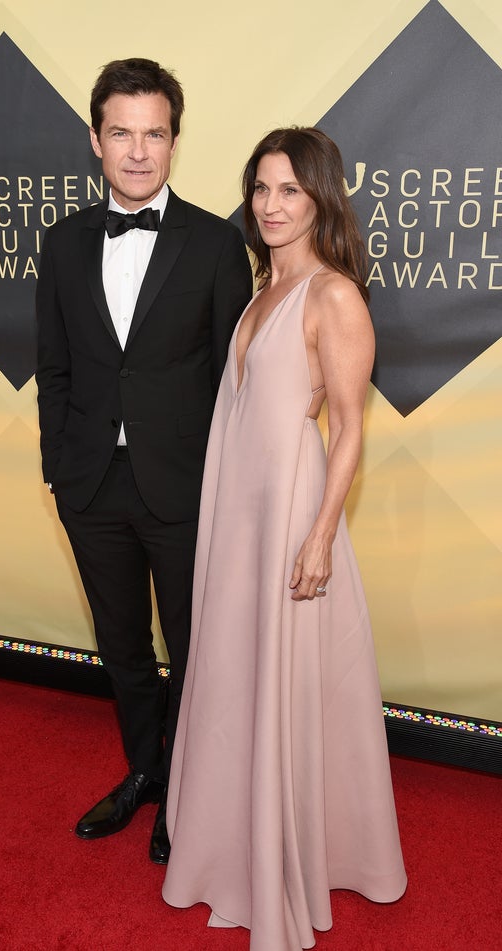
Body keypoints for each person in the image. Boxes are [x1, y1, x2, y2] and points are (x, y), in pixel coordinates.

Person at [163, 128, 407, 948]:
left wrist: (319, 535)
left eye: (289, 191)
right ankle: (236, 839)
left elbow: (348, 430)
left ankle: (289, 856)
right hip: (239, 510)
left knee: (288, 679)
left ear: (321, 199)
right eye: (261, 189)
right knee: (237, 676)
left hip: (292, 510)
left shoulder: (334, 296)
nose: (270, 205)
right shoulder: (261, 288)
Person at [35, 58, 252, 865]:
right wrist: (61, 471)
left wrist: (230, 490)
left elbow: (237, 382)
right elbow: (52, 366)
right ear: (95, 140)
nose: (137, 151)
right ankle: (145, 772)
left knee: (196, 650)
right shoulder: (60, 243)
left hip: (186, 489)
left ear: (173, 141)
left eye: (153, 133)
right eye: (121, 132)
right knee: (122, 647)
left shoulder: (218, 243)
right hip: (91, 487)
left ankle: (190, 791)